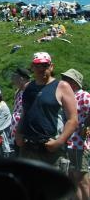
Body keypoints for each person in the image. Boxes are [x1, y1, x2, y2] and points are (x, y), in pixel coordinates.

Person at [15, 52, 78, 173]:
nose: (41, 69)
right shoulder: (28, 87)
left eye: (45, 65)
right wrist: (18, 134)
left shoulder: (61, 86)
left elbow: (73, 119)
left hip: (50, 147)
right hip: (27, 147)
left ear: (51, 66)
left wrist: (59, 142)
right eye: (37, 66)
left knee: (52, 189)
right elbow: (25, 113)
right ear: (32, 67)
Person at [61, 68, 90, 200]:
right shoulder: (68, 97)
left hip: (79, 143)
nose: (63, 82)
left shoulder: (84, 95)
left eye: (66, 80)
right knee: (73, 178)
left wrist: (86, 125)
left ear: (74, 82)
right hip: (69, 142)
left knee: (82, 179)